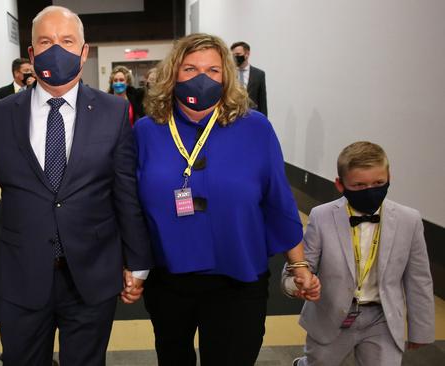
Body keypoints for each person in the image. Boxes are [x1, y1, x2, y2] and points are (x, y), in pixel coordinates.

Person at [0, 5, 153, 366]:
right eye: (46, 41)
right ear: (32, 53)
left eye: (67, 41)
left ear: (84, 52)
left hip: (91, 274)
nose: (57, 49)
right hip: (22, 275)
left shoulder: (112, 112)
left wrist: (137, 262)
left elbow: (124, 194)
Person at [134, 33, 320, 366]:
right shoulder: (147, 131)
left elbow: (278, 200)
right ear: (173, 73)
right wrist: (131, 265)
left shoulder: (255, 128)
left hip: (237, 277)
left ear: (227, 77)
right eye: (190, 68)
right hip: (169, 278)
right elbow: (130, 204)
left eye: (213, 70)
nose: (201, 77)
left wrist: (299, 264)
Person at [281, 141, 435, 366]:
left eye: (379, 183)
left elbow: (419, 278)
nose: (371, 191)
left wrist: (421, 329)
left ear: (389, 177)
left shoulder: (408, 220)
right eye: (360, 185)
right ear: (340, 185)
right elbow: (298, 268)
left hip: (382, 319)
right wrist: (299, 284)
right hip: (331, 316)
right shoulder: (322, 217)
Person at [230, 41, 267, 116]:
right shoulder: (229, 74)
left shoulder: (259, 74)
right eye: (233, 55)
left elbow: (262, 100)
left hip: (252, 114)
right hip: (233, 115)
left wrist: (264, 119)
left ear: (247, 54)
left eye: (238, 54)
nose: (235, 58)